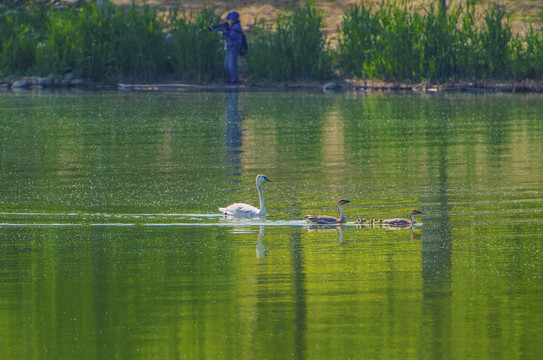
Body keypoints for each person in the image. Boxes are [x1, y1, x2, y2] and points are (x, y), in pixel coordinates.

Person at [222, 11, 243, 85]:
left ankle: (234, 80)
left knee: (232, 64)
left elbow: (232, 36)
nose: (230, 21)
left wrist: (225, 30)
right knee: (227, 64)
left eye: (232, 19)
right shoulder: (232, 26)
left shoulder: (236, 27)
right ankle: (230, 79)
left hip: (234, 47)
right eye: (230, 19)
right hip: (229, 47)